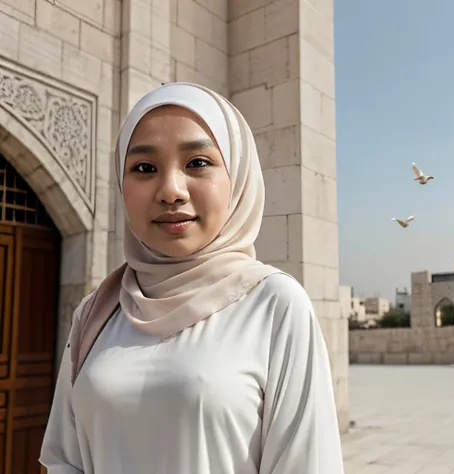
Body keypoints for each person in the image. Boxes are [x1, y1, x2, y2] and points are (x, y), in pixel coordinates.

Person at [39, 82, 345, 473]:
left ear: (238, 176)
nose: (171, 191)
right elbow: (65, 460)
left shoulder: (273, 304)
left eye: (197, 162)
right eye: (144, 168)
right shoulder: (96, 313)